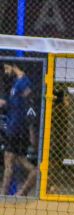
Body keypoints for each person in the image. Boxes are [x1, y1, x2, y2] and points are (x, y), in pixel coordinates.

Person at [1, 62, 38, 196]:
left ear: (13, 66)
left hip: (17, 129)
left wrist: (31, 128)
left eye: (6, 68)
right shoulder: (16, 83)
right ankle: (18, 192)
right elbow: (9, 103)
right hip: (13, 127)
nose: (5, 71)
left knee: (9, 159)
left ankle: (5, 194)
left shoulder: (24, 82)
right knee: (17, 159)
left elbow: (30, 103)